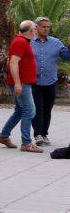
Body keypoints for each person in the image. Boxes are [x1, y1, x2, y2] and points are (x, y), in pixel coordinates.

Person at [0, 20, 41, 153]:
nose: (37, 30)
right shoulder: (21, 42)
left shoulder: (22, 41)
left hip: (23, 83)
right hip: (21, 83)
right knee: (29, 111)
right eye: (35, 28)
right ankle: (26, 143)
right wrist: (17, 83)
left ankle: (4, 136)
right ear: (30, 31)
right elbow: (13, 63)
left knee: (20, 111)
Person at [30, 17, 70, 146]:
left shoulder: (56, 42)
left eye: (48, 27)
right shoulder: (29, 42)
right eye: (43, 27)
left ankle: (44, 134)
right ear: (36, 28)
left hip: (50, 82)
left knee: (47, 109)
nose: (46, 29)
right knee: (37, 109)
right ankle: (38, 135)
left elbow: (67, 57)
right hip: (34, 82)